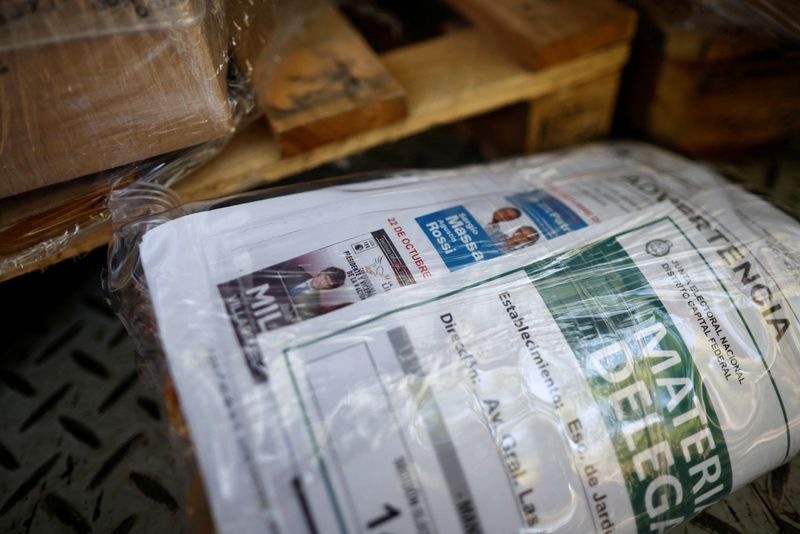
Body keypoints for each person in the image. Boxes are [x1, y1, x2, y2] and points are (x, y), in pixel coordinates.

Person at [280, 265, 346, 319]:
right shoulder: (295, 271)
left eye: (328, 284)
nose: (322, 283)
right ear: (321, 272)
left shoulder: (314, 306)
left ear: (330, 288)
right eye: (325, 278)